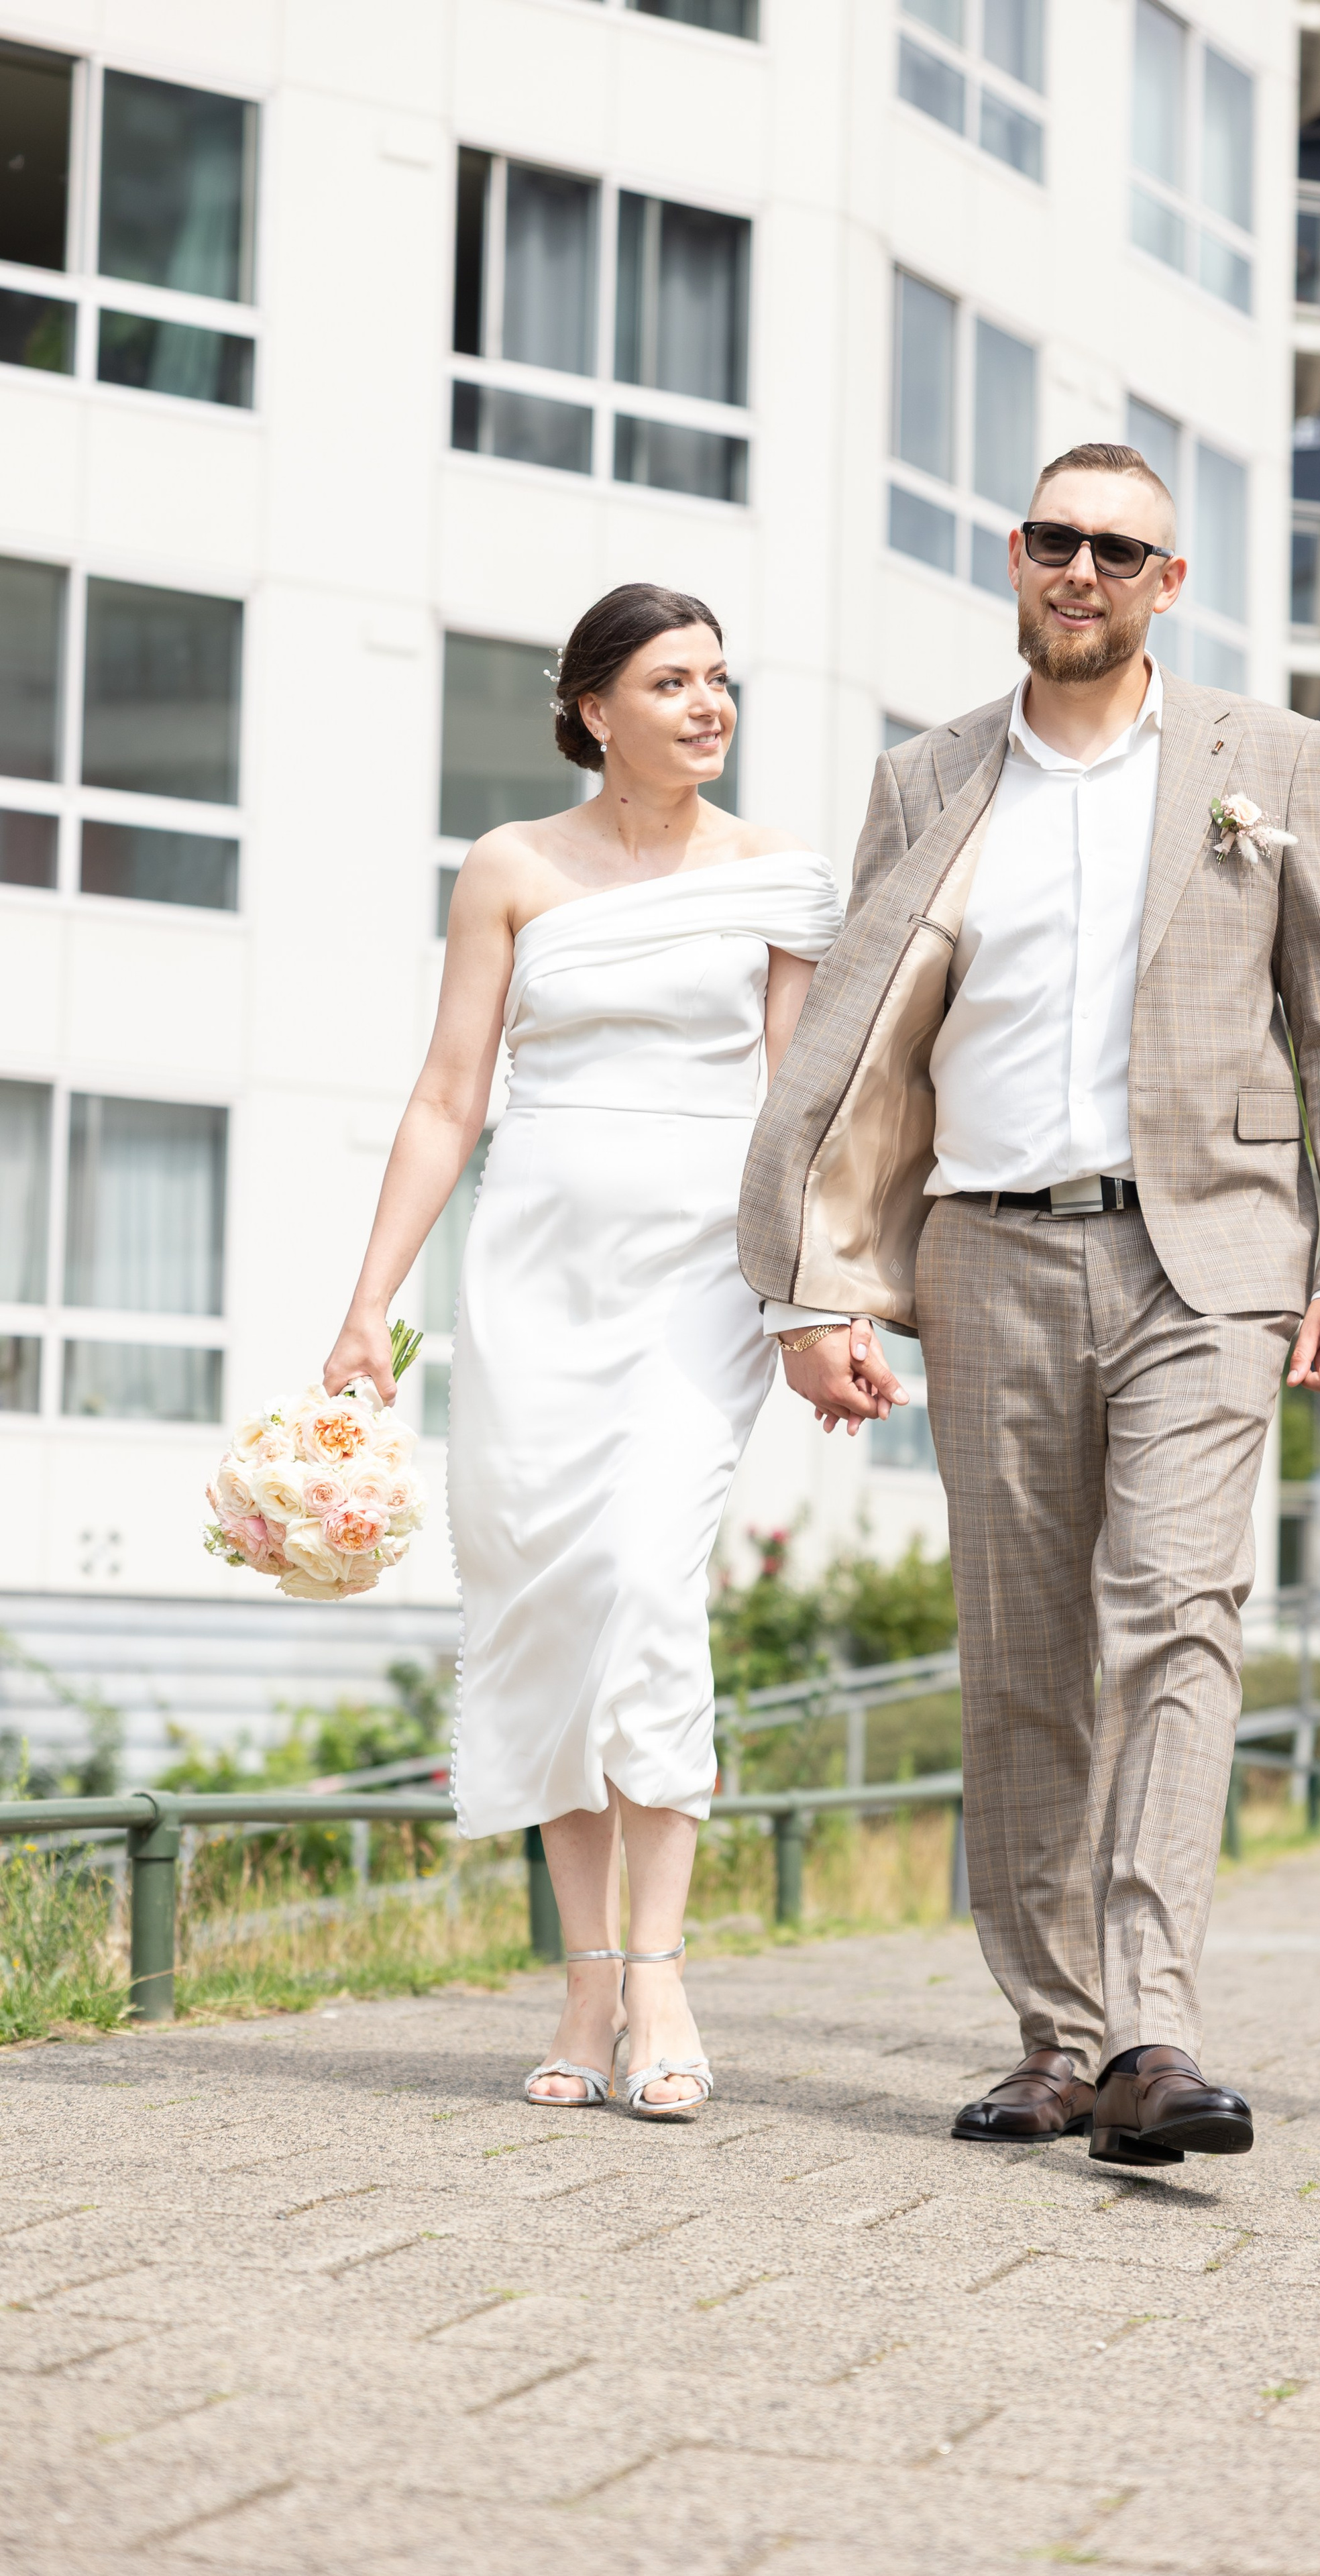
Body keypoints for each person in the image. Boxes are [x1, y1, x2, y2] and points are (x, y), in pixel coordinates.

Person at [738, 443, 1320, 2167]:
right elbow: (864, 1048)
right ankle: (1053, 2038)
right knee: (1021, 1650)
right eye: (1057, 540)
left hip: (1211, 1259)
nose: (1083, 571)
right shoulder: (928, 777)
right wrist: (819, 1288)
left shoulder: (1268, 759)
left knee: (1175, 1611)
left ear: (1166, 584)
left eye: (1119, 549)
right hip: (984, 1254)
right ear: (1014, 555)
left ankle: (1149, 2033)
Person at [324, 584, 843, 2121]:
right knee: (552, 1603)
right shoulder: (510, 866)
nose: (707, 704)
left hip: (699, 1278)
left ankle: (662, 1971)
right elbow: (448, 1097)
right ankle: (585, 1982)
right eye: (670, 681)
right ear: (591, 707)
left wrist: (817, 1308)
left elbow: (798, 1117)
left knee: (640, 1583)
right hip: (533, 1273)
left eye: (718, 679)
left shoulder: (777, 874)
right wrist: (368, 1308)